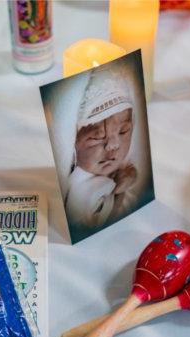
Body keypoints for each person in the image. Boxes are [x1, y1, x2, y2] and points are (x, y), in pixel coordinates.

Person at [65, 66, 139, 229]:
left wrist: (129, 176)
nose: (113, 145)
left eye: (124, 131)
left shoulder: (121, 165)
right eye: (97, 137)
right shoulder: (78, 191)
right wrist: (117, 196)